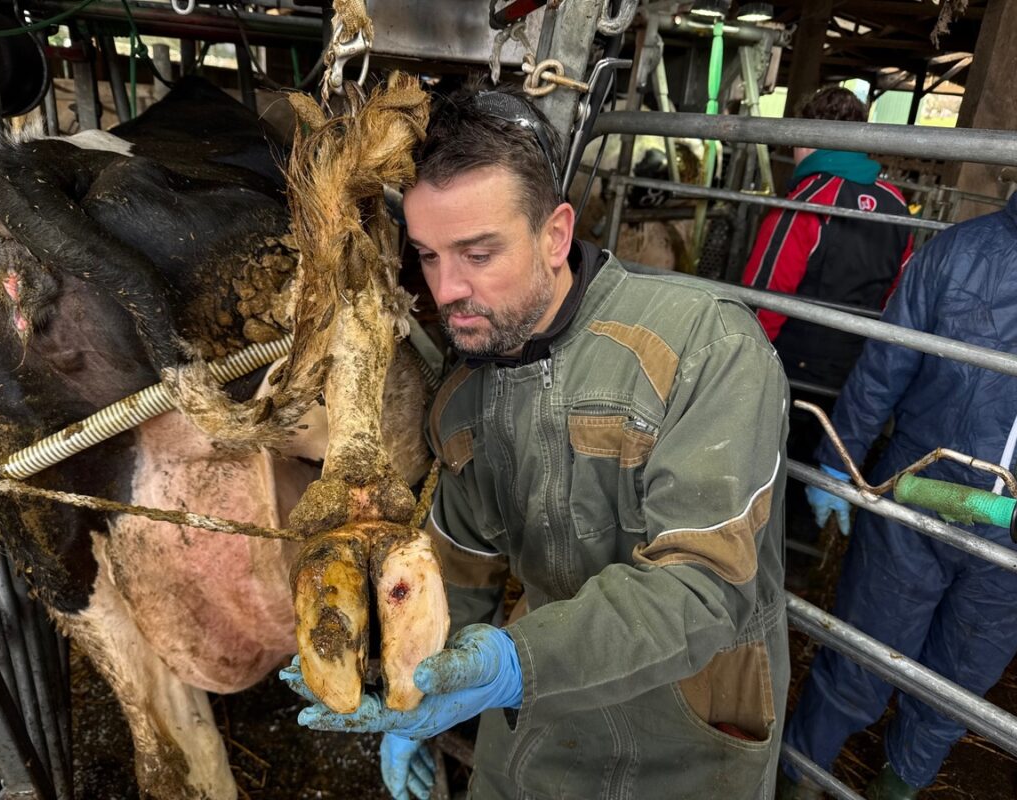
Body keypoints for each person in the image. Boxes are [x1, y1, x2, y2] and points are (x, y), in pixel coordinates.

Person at [280, 85, 791, 799]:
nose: (446, 288)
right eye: (427, 256)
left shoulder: (702, 348)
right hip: (537, 740)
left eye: (478, 253)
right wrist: (409, 691)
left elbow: (703, 587)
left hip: (685, 739)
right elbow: (460, 570)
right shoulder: (464, 398)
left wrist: (512, 664)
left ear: (554, 234)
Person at [778, 182, 1017, 800]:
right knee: (864, 650)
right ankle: (798, 778)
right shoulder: (962, 250)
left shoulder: (959, 247)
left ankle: (899, 785)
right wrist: (843, 459)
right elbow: (888, 360)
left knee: (959, 680)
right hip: (923, 490)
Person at [741, 85, 914, 549]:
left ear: (805, 140)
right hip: (854, 383)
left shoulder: (807, 200)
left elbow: (766, 298)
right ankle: (800, 566)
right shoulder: (898, 205)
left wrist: (742, 368)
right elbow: (899, 298)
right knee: (817, 478)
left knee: (768, 471)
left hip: (789, 373)